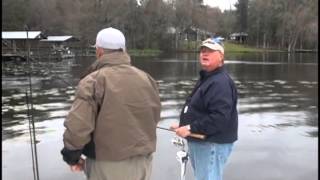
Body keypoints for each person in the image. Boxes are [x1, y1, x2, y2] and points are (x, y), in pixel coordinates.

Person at [61, 27, 161, 180]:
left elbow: (78, 127)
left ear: (99, 51)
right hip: (143, 163)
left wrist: (71, 156)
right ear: (124, 50)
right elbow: (154, 116)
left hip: (107, 165)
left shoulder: (92, 81)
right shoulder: (147, 78)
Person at [171, 37, 238, 180]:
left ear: (221, 57)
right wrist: (183, 125)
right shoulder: (208, 78)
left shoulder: (220, 82)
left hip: (211, 144)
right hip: (202, 142)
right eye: (202, 51)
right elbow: (202, 110)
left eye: (210, 51)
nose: (204, 54)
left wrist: (189, 128)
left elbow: (219, 119)